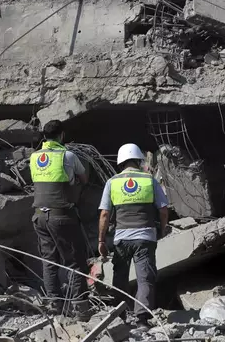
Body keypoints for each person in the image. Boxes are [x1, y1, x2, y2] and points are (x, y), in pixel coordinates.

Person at [97, 143, 169, 330]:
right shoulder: (149, 180)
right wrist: (163, 229)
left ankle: (120, 316)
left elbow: (104, 214)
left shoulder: (112, 182)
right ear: (139, 161)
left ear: (121, 163)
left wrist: (101, 240)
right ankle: (142, 320)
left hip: (121, 239)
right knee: (145, 278)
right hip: (145, 238)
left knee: (120, 278)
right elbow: (163, 209)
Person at [29, 120, 90, 318]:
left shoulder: (34, 157)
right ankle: (80, 307)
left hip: (39, 216)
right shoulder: (68, 155)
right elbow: (84, 179)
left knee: (49, 261)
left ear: (44, 137)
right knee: (74, 261)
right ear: (62, 135)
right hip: (61, 215)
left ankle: (54, 305)